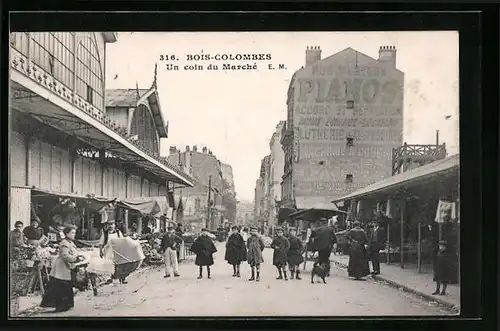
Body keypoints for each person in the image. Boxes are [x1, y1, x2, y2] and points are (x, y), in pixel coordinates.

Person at [40, 225, 85, 312]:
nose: (74, 234)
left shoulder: (70, 242)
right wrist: (75, 259)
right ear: (67, 233)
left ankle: (66, 305)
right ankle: (61, 306)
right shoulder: (64, 243)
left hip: (67, 266)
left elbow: (72, 253)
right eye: (72, 232)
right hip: (62, 267)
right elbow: (65, 255)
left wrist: (78, 256)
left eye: (74, 232)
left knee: (66, 286)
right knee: (61, 286)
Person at [99, 219, 126, 284]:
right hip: (108, 252)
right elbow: (101, 243)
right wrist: (100, 251)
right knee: (109, 264)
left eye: (112, 224)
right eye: (109, 225)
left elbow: (123, 241)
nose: (111, 226)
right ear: (107, 225)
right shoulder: (105, 233)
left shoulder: (118, 232)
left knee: (119, 265)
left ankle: (121, 278)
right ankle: (109, 279)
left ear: (114, 225)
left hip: (117, 251)